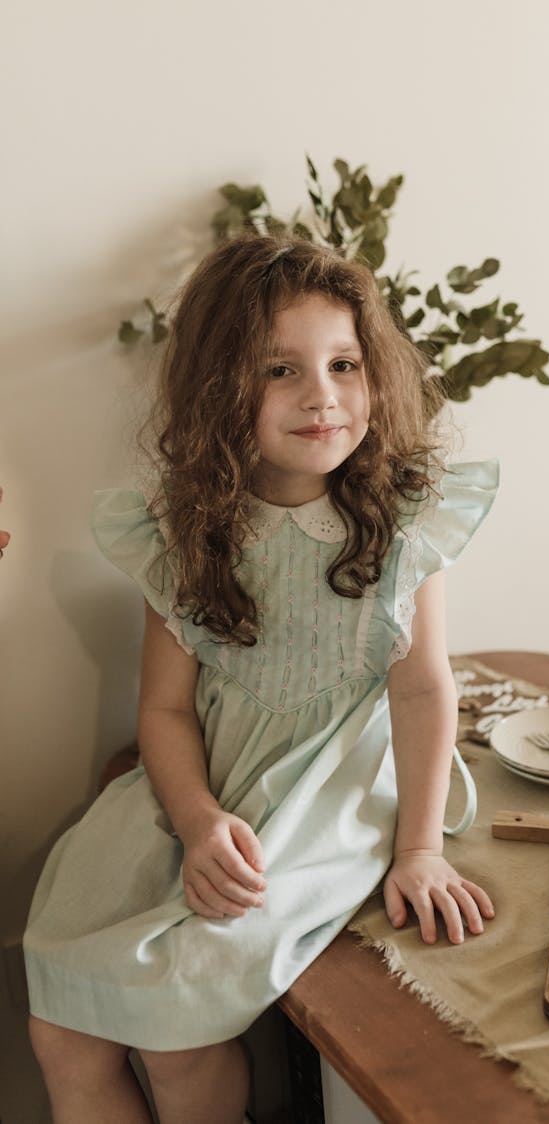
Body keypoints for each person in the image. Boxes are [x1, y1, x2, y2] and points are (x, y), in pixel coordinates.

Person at [24, 234, 499, 1124]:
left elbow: (425, 689)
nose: (323, 395)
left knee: (176, 1035)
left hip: (328, 791)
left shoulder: (401, 525)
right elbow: (164, 709)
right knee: (62, 1023)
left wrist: (421, 848)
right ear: (219, 389)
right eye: (281, 369)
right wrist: (198, 819)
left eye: (345, 363)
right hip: (200, 784)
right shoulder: (186, 531)